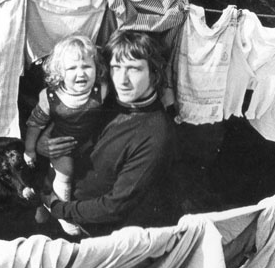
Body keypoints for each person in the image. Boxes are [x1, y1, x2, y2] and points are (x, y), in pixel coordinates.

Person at [37, 30, 176, 236]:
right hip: (59, 204)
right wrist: (43, 142)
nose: (122, 80)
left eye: (134, 69)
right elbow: (64, 118)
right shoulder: (103, 98)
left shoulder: (156, 133)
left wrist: (60, 209)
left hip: (92, 232)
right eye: (116, 68)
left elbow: (115, 206)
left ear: (155, 73)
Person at [22, 35, 107, 222]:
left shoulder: (101, 90)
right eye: (72, 68)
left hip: (89, 142)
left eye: (87, 66)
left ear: (96, 67)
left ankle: (45, 196)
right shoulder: (51, 97)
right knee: (65, 173)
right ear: (60, 72)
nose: (81, 73)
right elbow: (35, 123)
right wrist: (29, 149)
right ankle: (63, 214)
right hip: (62, 144)